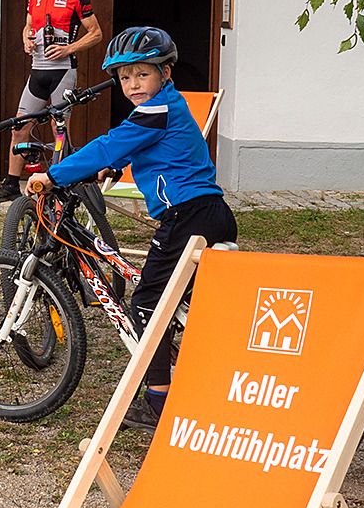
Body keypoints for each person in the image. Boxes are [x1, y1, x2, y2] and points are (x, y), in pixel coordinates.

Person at [28, 26, 235, 428]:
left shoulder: (155, 111)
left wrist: (53, 175)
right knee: (183, 306)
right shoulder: (169, 107)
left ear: (165, 73)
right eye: (125, 77)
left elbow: (111, 143)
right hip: (211, 213)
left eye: (142, 74)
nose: (133, 84)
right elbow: (151, 149)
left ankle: (158, 403)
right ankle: (198, 374)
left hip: (186, 218)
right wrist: (111, 167)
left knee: (145, 306)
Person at [0, 0, 103, 202]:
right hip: (37, 72)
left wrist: (68, 48)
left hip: (63, 72)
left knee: (58, 127)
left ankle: (59, 181)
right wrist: (26, 41)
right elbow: (28, 27)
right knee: (19, 126)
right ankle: (11, 184)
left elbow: (96, 33)